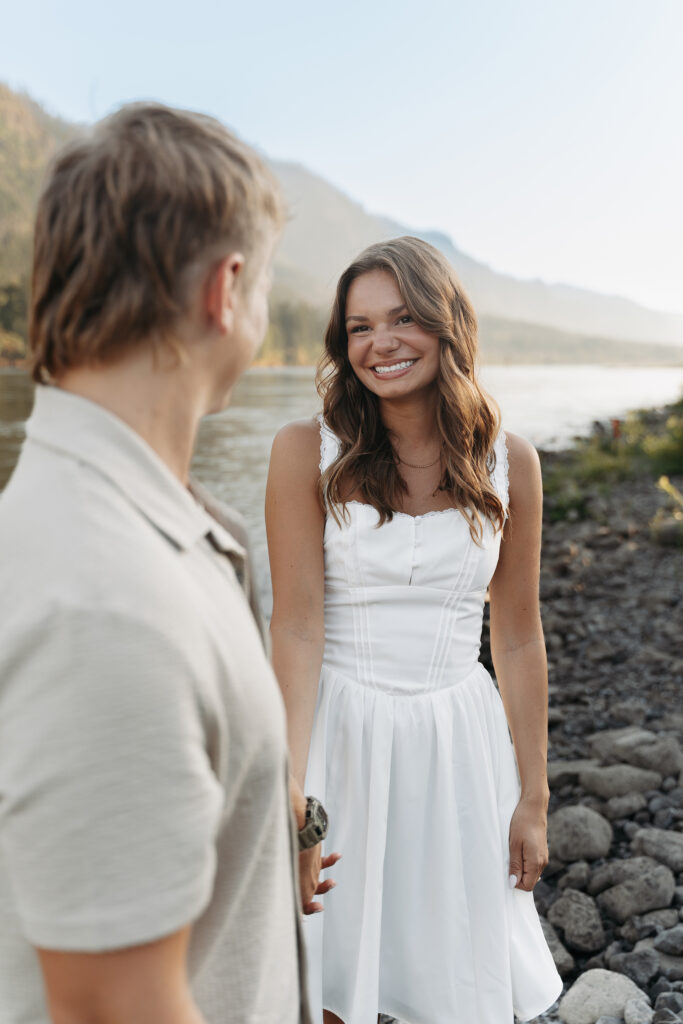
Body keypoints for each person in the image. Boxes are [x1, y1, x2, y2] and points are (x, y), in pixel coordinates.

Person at [0, 102, 325, 1024]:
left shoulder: (121, 529)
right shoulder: (104, 604)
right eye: (263, 285)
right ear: (226, 291)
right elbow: (113, 1009)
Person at [265, 236, 564, 1024]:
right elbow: (294, 627)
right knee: (329, 964)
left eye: (401, 319)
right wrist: (289, 789)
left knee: (452, 969)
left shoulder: (512, 463)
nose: (380, 344)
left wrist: (533, 795)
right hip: (340, 729)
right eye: (359, 327)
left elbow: (518, 636)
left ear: (445, 325)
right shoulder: (304, 451)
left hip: (457, 739)